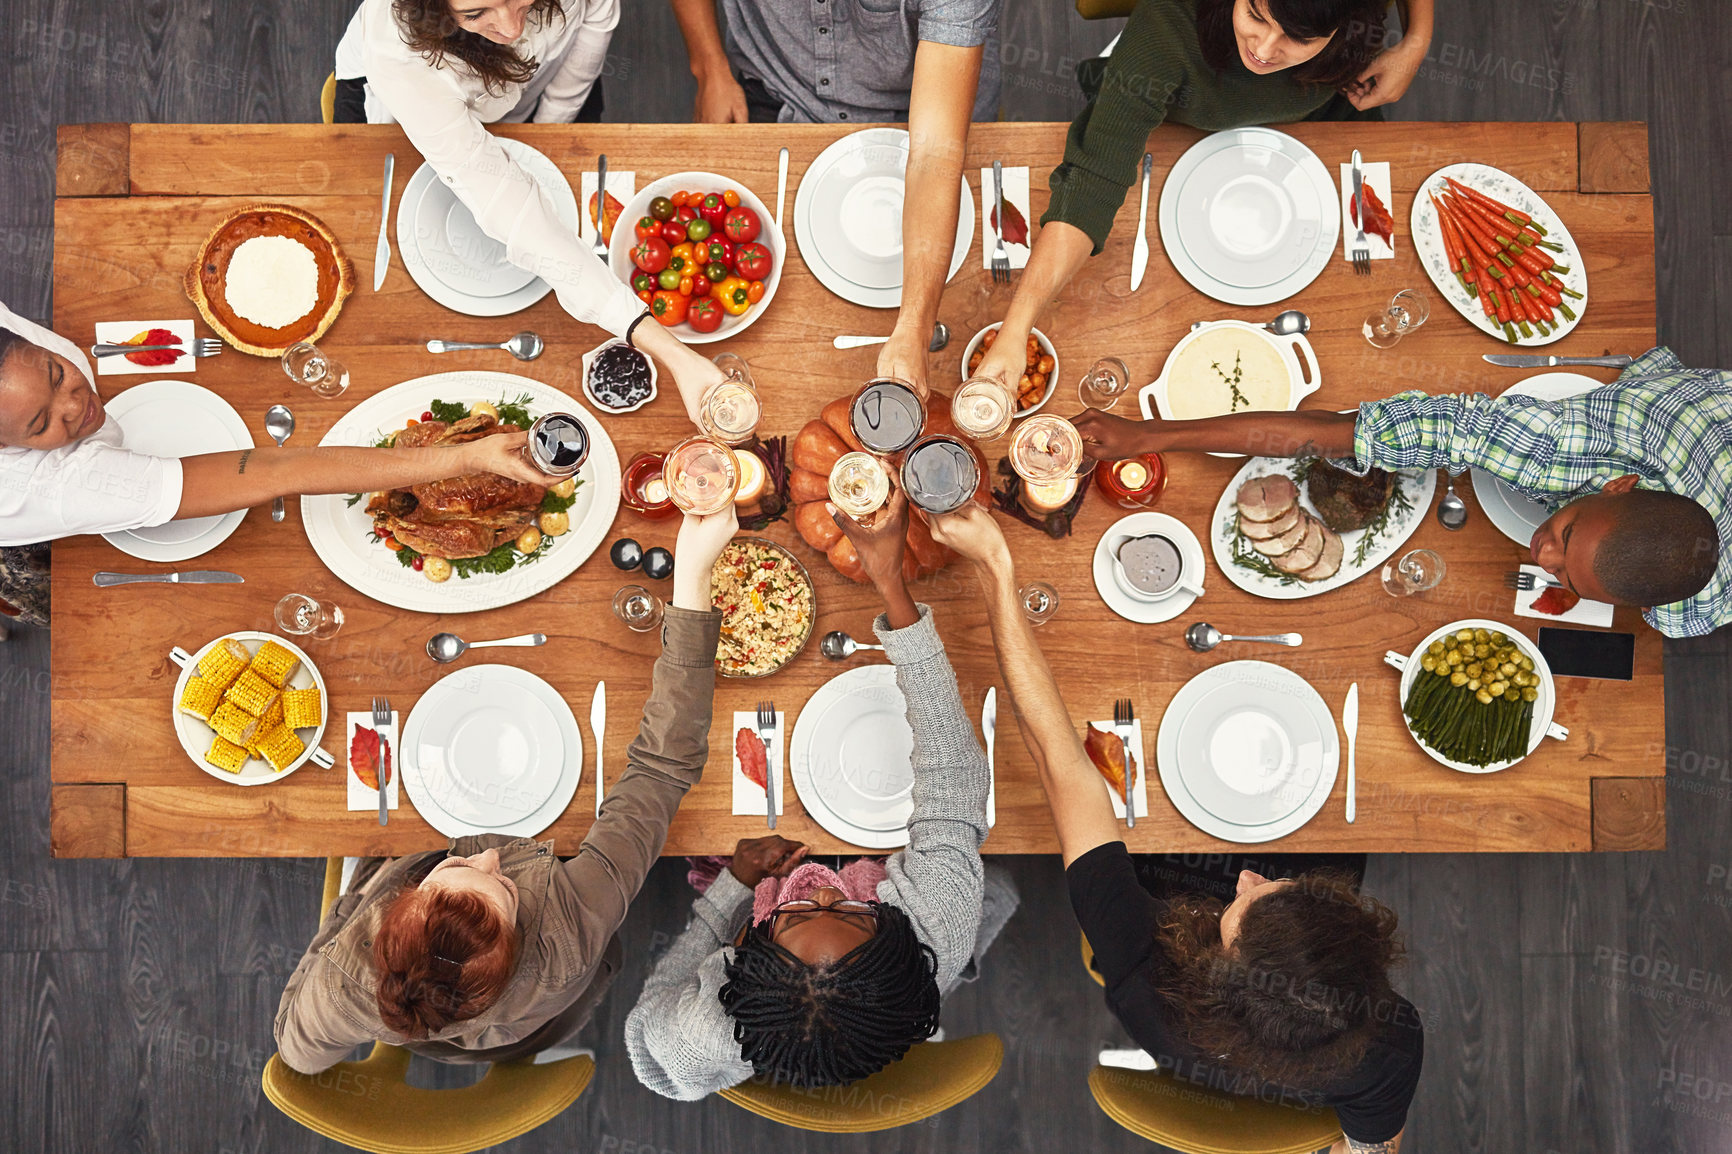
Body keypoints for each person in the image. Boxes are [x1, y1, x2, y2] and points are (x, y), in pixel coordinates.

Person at [925, 501, 1421, 1154]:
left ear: (1219, 965)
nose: (1250, 874)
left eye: (1246, 906)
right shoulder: (1385, 1045)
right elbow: (1374, 1145)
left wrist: (995, 569)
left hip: (1168, 884)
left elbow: (1056, 758)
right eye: (1287, 889)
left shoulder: (1146, 972)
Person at [273, 506, 738, 1072]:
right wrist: (691, 577)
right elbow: (663, 766)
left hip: (454, 1038)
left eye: (460, 869)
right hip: (539, 1019)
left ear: (401, 905)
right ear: (522, 945)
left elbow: (297, 1056)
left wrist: (340, 926)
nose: (491, 855)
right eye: (506, 891)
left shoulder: (350, 986)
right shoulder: (570, 930)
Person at [625, 488, 1018, 1098]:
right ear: (895, 935)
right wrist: (892, 586)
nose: (819, 887)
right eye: (849, 909)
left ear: (745, 956)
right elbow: (952, 778)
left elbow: (648, 1041)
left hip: (752, 948)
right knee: (998, 884)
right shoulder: (935, 930)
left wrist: (732, 890)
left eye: (796, 914)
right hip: (922, 954)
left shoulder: (699, 1032)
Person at [1072, 348, 1729, 637]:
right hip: (1671, 409)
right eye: (1562, 538)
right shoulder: (1557, 444)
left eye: (1567, 578)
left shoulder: (1686, 611)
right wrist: (1145, 435)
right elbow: (1331, 437)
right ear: (1616, 483)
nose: (1539, 561)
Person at [0, 303, 559, 627]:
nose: (75, 405)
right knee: (46, 595)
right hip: (41, 517)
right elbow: (275, 472)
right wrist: (463, 456)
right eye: (40, 424)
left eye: (54, 373)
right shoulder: (52, 485)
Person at [973, 0, 1432, 393]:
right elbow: (1093, 178)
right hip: (1178, 126)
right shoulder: (1167, 29)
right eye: (1255, 14)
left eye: (1298, 38)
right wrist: (1017, 327)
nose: (1264, 50)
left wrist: (1415, 42)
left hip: (1321, 123)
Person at [332, 0, 725, 413]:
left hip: (532, 85)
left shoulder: (515, 24)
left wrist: (549, 130)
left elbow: (596, 17)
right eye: (476, 13)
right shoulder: (398, 49)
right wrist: (672, 352)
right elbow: (507, 205)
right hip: (415, 115)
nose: (512, 28)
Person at [667, 0, 1002, 395]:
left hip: (925, 98)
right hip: (779, 87)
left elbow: (934, 152)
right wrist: (709, 67)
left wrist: (914, 328)